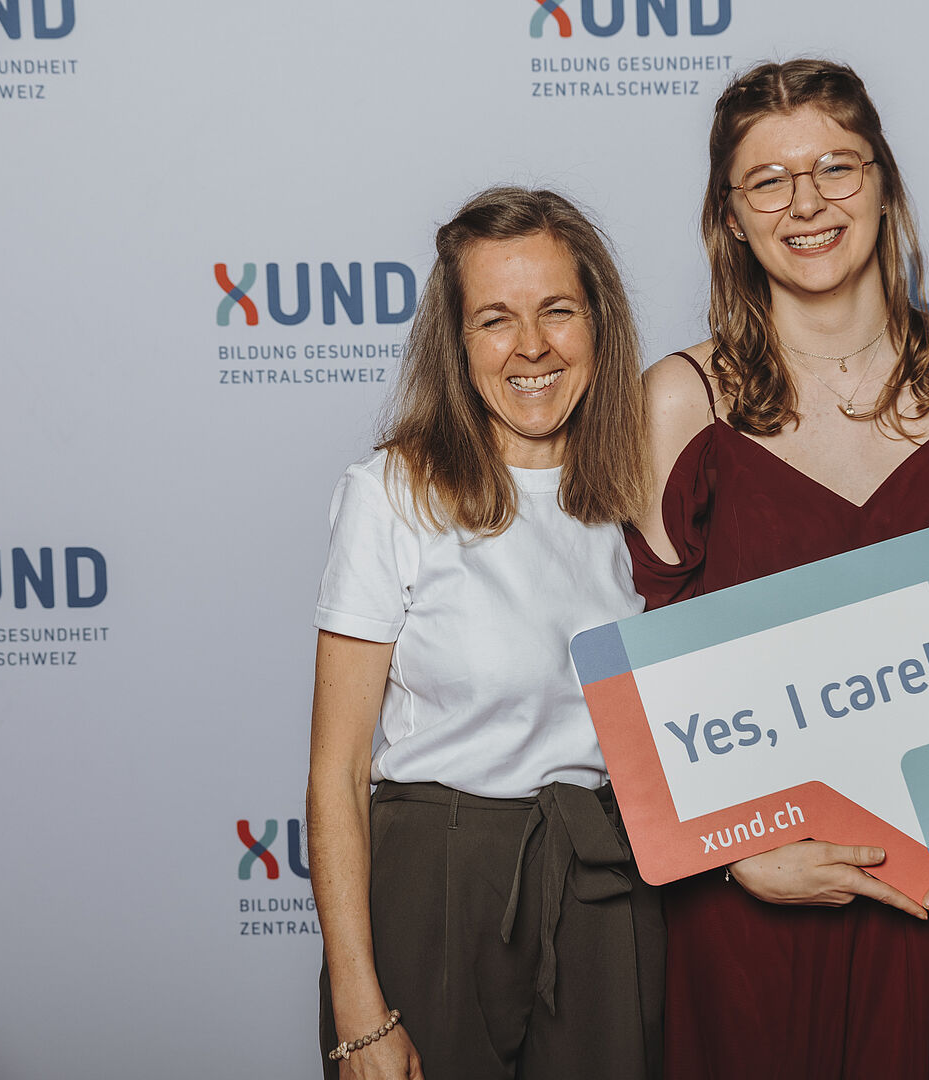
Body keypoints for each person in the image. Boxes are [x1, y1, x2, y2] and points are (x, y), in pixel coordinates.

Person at [628, 59, 929, 1079]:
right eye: (768, 180)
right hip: (753, 898)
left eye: (836, 166)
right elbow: (650, 675)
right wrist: (733, 854)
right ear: (730, 218)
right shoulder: (679, 402)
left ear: (884, 183)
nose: (807, 202)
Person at [305, 187, 662, 1080]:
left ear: (599, 324)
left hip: (603, 880)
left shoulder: (642, 492)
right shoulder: (391, 494)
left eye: (558, 310)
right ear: (458, 345)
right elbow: (337, 773)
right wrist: (359, 1012)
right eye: (495, 319)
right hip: (437, 885)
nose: (531, 346)